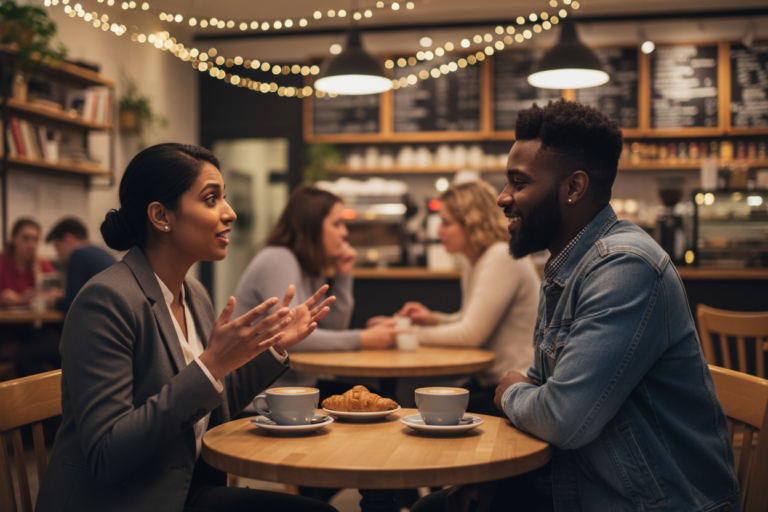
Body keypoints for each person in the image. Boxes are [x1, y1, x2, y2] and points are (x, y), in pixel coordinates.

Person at [411, 100, 738, 512]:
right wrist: (505, 477)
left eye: (518, 182)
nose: (502, 198)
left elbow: (560, 417)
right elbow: (543, 387)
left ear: (573, 188)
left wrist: (510, 393)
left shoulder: (623, 267)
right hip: (583, 481)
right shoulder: (568, 264)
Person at [36, 143, 338, 512]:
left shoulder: (193, 293)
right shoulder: (106, 300)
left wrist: (273, 345)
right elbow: (107, 453)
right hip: (125, 500)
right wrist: (211, 365)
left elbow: (213, 398)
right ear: (161, 216)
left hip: (182, 489)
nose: (230, 213)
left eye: (224, 198)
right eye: (211, 199)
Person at [369, 181, 540, 416]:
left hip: (515, 392)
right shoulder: (476, 258)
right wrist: (433, 320)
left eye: (446, 222)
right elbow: (469, 319)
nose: (438, 231)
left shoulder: (501, 256)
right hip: (494, 384)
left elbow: (470, 334)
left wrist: (403, 335)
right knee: (415, 396)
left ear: (471, 223)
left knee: (418, 402)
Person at [233, 184, 400, 391]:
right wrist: (363, 338)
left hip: (296, 390)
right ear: (311, 225)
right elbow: (291, 337)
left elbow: (332, 329)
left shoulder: (309, 266)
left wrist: (344, 274)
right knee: (374, 399)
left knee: (372, 397)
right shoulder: (278, 258)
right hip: (261, 398)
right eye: (337, 224)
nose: (344, 232)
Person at [0, 218, 61, 367]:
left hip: (33, 328)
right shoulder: (2, 262)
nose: (31, 245)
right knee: (25, 354)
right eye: (25, 239)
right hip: (6, 328)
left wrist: (21, 299)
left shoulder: (42, 264)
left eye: (35, 240)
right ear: (13, 239)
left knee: (57, 345)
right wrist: (21, 299)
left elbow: (56, 295)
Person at [45, 217, 116, 313]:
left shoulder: (78, 254)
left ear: (68, 238)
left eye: (57, 247)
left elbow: (71, 304)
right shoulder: (99, 252)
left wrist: (50, 301)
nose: (58, 255)